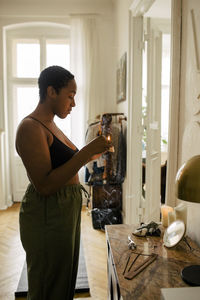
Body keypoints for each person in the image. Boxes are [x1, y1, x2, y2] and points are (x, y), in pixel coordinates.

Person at [15, 65, 112, 300]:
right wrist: (84, 153)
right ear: (51, 92)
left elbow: (68, 165)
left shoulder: (51, 125)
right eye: (70, 96)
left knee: (63, 278)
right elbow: (45, 186)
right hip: (47, 214)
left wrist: (96, 151)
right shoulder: (30, 127)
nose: (74, 103)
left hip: (64, 211)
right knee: (48, 282)